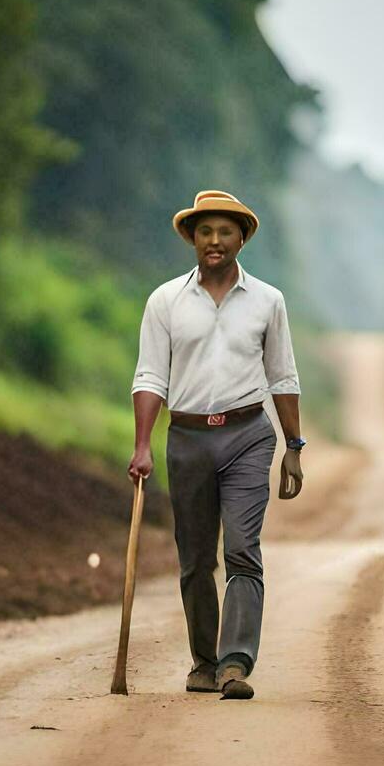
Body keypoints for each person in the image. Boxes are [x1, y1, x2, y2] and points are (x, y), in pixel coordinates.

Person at [128, 189, 305, 701]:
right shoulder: (165, 301)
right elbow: (149, 376)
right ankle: (204, 661)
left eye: (225, 231)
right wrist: (143, 446)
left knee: (243, 550)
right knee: (195, 558)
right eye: (204, 231)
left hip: (249, 435)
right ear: (192, 238)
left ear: (242, 238)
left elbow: (283, 376)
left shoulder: (268, 301)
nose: (214, 241)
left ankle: (234, 663)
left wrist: (293, 445)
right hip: (186, 437)